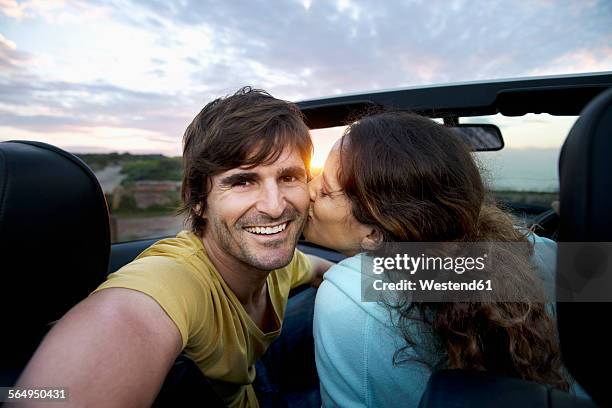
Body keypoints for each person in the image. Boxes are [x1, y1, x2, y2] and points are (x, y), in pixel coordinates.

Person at [16, 87, 332, 407]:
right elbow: (122, 321)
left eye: (289, 177)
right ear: (198, 202)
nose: (275, 206)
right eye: (242, 181)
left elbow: (321, 268)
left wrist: (381, 282)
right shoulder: (175, 279)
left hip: (255, 379)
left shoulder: (280, 265)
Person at [304, 111, 571, 407]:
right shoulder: (544, 250)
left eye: (325, 190)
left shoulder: (348, 296)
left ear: (373, 234)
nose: (309, 189)